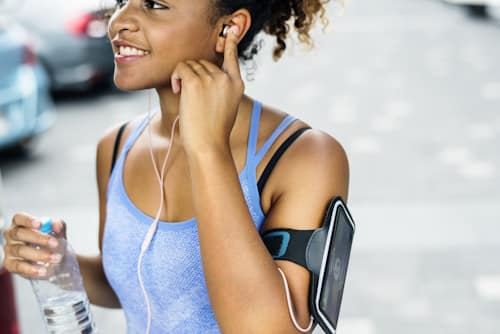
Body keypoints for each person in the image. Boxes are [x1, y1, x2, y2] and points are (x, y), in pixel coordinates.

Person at [2, 0, 349, 332]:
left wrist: (209, 151)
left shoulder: (304, 157)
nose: (119, 20)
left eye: (154, 4)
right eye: (123, 0)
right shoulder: (116, 146)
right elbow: (136, 284)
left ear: (228, 28)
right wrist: (58, 262)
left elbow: (263, 330)